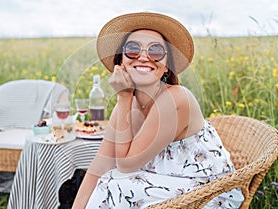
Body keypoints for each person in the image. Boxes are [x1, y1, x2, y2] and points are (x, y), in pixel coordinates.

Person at [72, 12, 244, 209]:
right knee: (108, 181)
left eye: (155, 51)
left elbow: (126, 165)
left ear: (166, 68)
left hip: (209, 191)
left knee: (115, 184)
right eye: (133, 49)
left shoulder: (176, 98)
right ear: (120, 62)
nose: (144, 57)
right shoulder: (128, 106)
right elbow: (98, 168)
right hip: (165, 183)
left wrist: (124, 96)